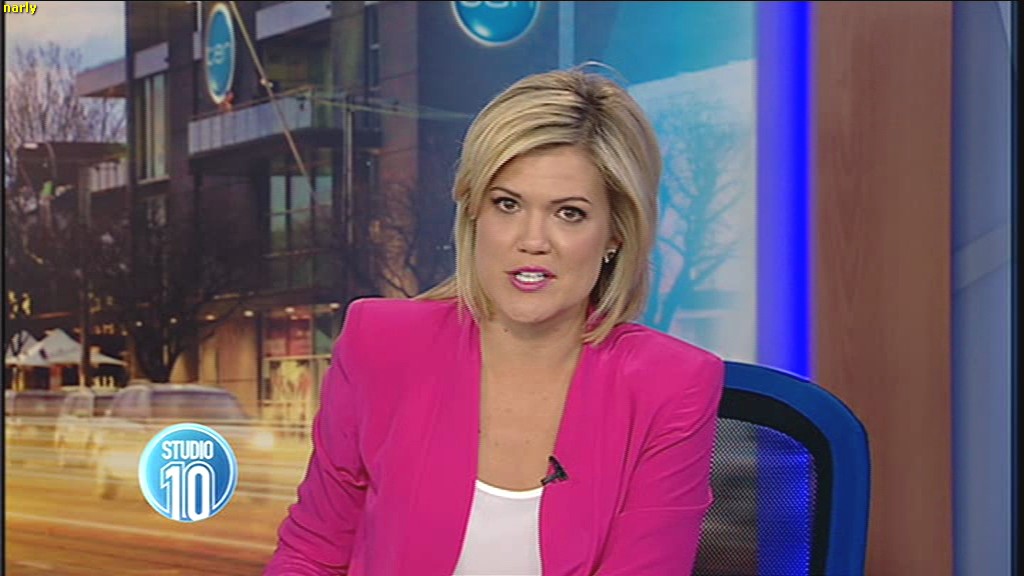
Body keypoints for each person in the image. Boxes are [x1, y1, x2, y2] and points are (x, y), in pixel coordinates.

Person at [265, 66, 724, 576]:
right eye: (507, 204)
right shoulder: (381, 343)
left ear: (615, 233)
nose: (532, 240)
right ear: (474, 212)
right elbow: (311, 554)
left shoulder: (671, 385)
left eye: (569, 213)